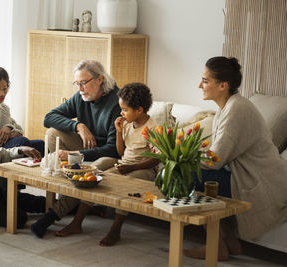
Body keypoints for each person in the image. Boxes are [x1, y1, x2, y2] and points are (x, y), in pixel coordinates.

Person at [184, 56, 287, 261]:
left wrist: (183, 157)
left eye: (205, 81)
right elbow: (217, 154)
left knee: (188, 174)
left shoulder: (236, 109)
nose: (200, 85)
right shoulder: (228, 107)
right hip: (247, 177)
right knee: (194, 173)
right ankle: (229, 240)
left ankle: (217, 246)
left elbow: (215, 160)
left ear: (223, 85)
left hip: (261, 184)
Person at [54, 82, 160, 246]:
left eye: (125, 109)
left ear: (139, 110)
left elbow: (155, 159)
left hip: (144, 169)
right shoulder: (126, 124)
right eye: (121, 109)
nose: (121, 113)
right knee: (97, 178)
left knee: (125, 183)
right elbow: (120, 152)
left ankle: (115, 230)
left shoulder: (153, 128)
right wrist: (118, 132)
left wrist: (131, 167)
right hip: (124, 163)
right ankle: (77, 223)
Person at [30, 59, 121, 238]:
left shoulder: (116, 103)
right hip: (86, 146)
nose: (79, 88)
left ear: (99, 79)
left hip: (107, 154)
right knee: (52, 133)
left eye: (83, 83)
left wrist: (77, 153)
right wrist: (78, 126)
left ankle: (53, 215)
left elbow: (113, 149)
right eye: (77, 83)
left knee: (98, 165)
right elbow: (49, 117)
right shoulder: (81, 97)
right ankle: (68, 194)